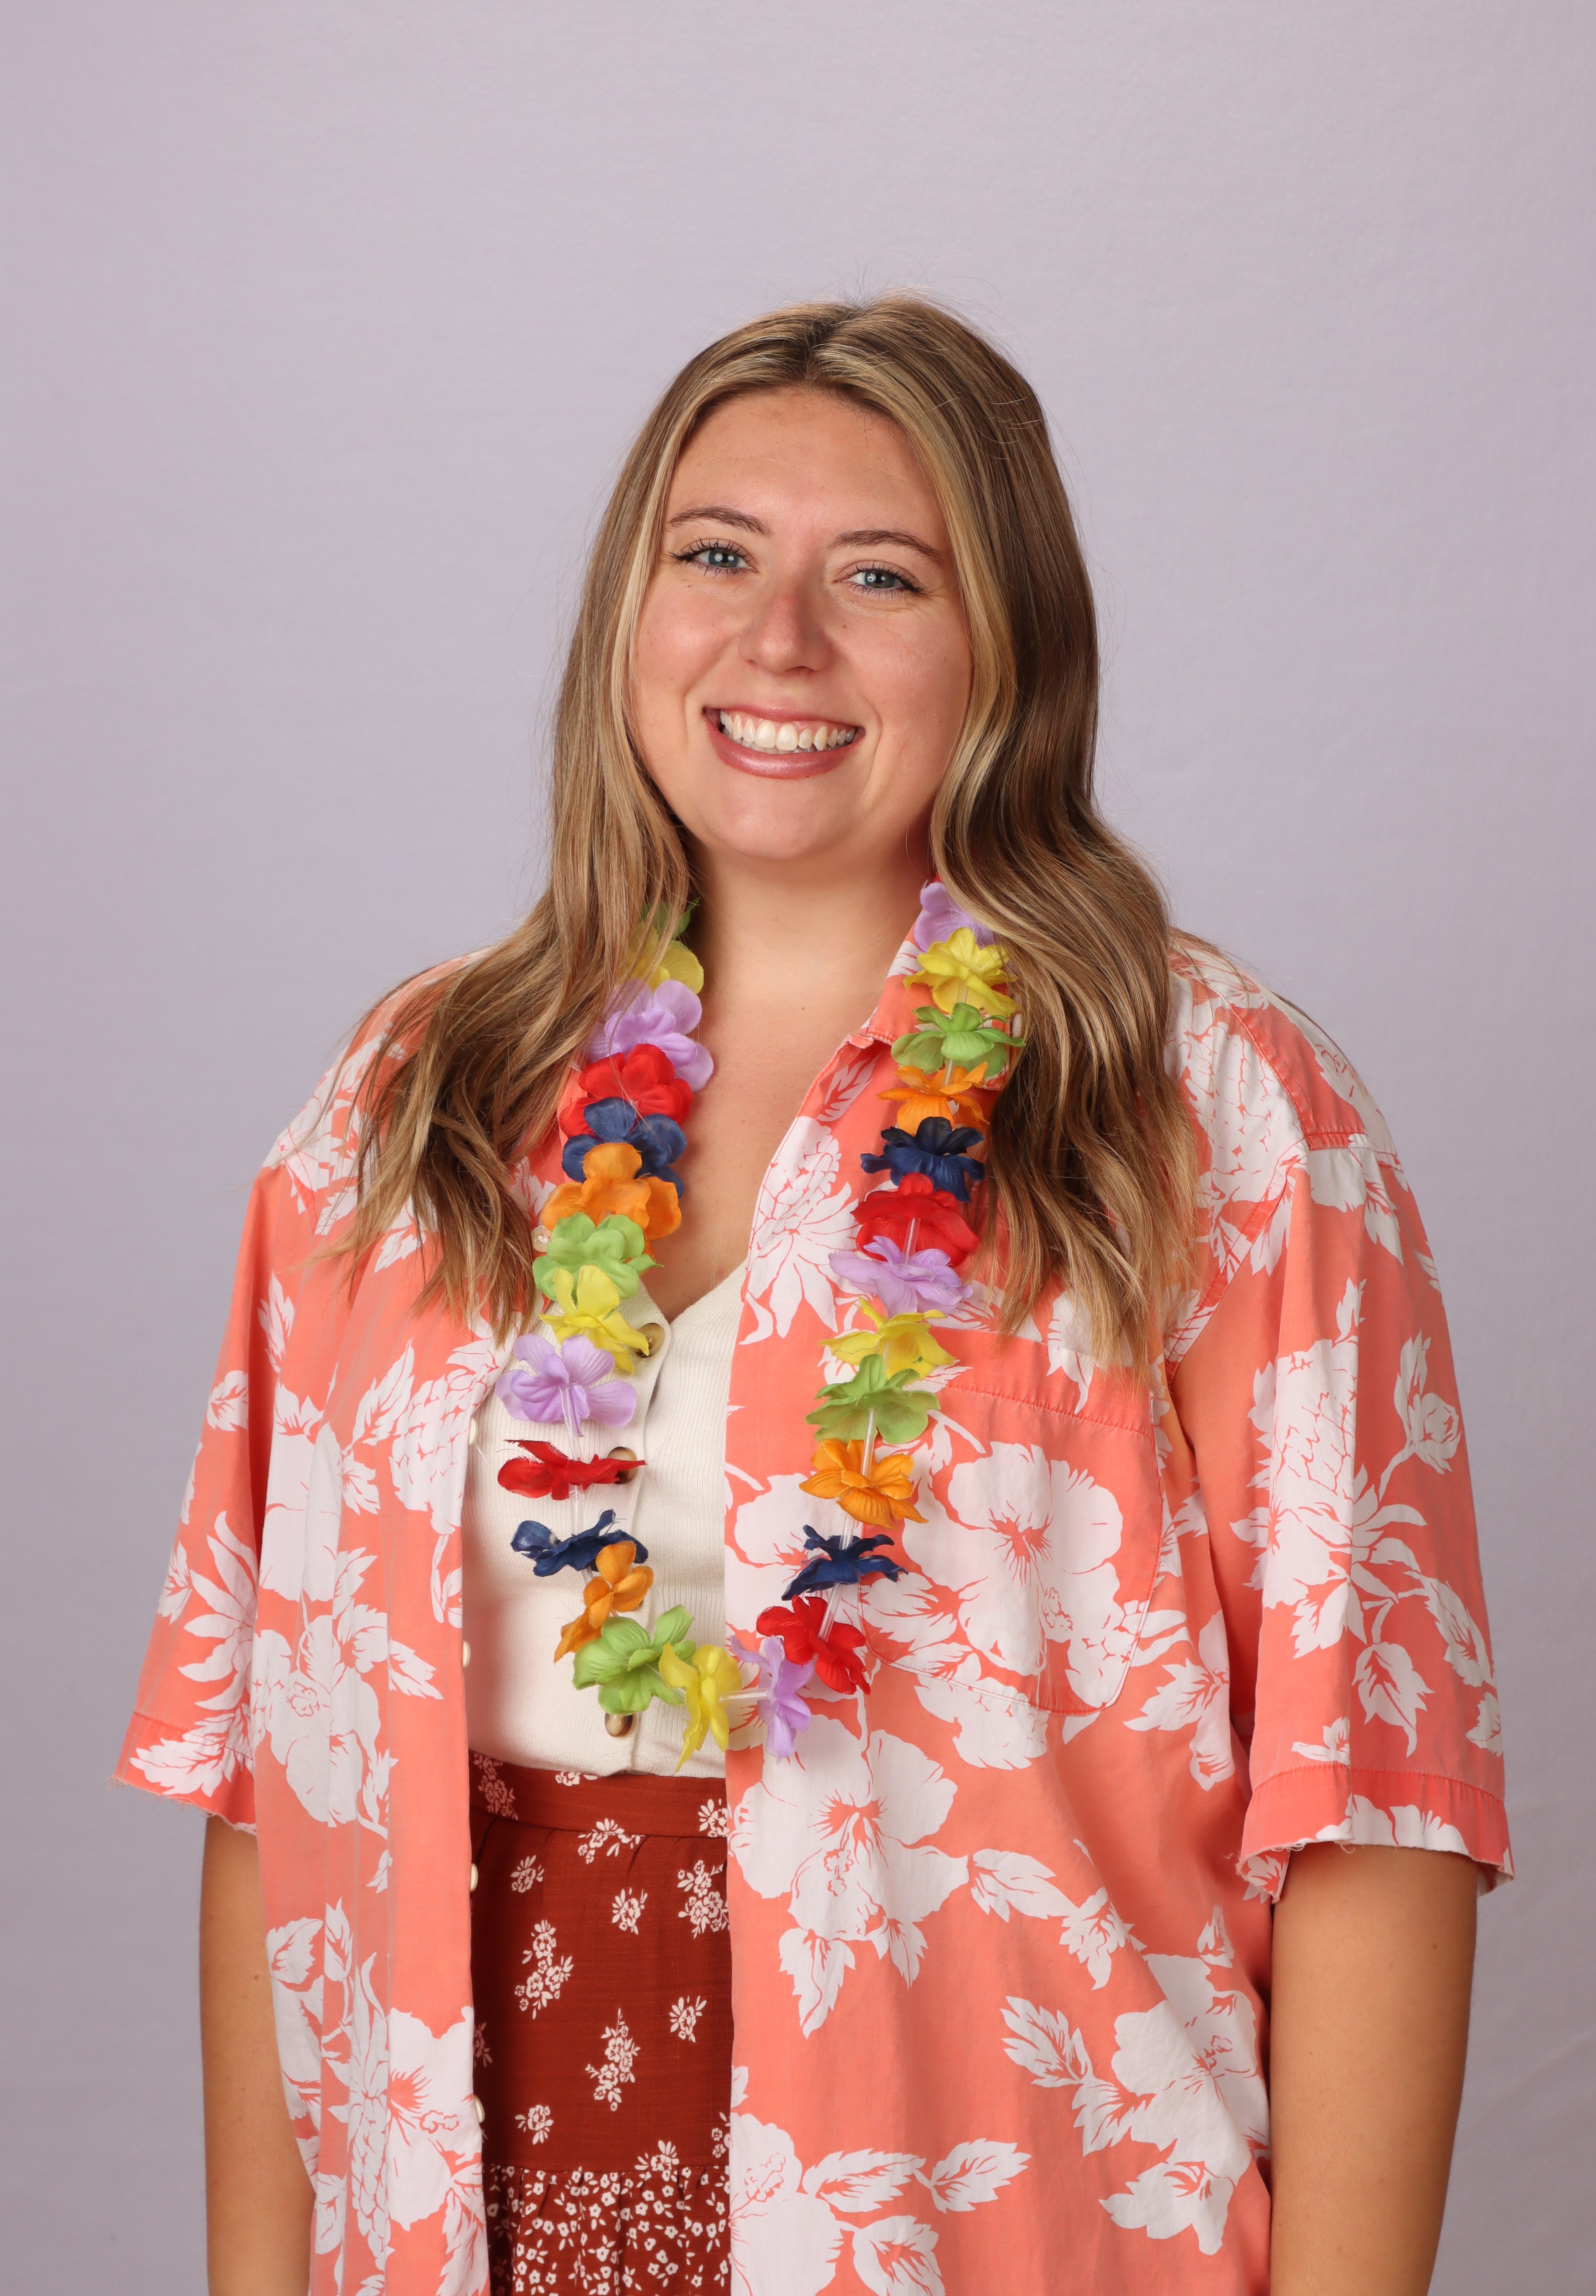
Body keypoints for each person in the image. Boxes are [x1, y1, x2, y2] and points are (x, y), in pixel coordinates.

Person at [120, 296, 1508, 2296]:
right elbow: (268, 1782)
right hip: (461, 2197)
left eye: (878, 576)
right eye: (715, 555)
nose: (777, 642)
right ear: (630, 610)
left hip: (991, 2219)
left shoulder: (1206, 1110)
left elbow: (1368, 1805)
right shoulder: (409, 1102)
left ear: (1008, 647)